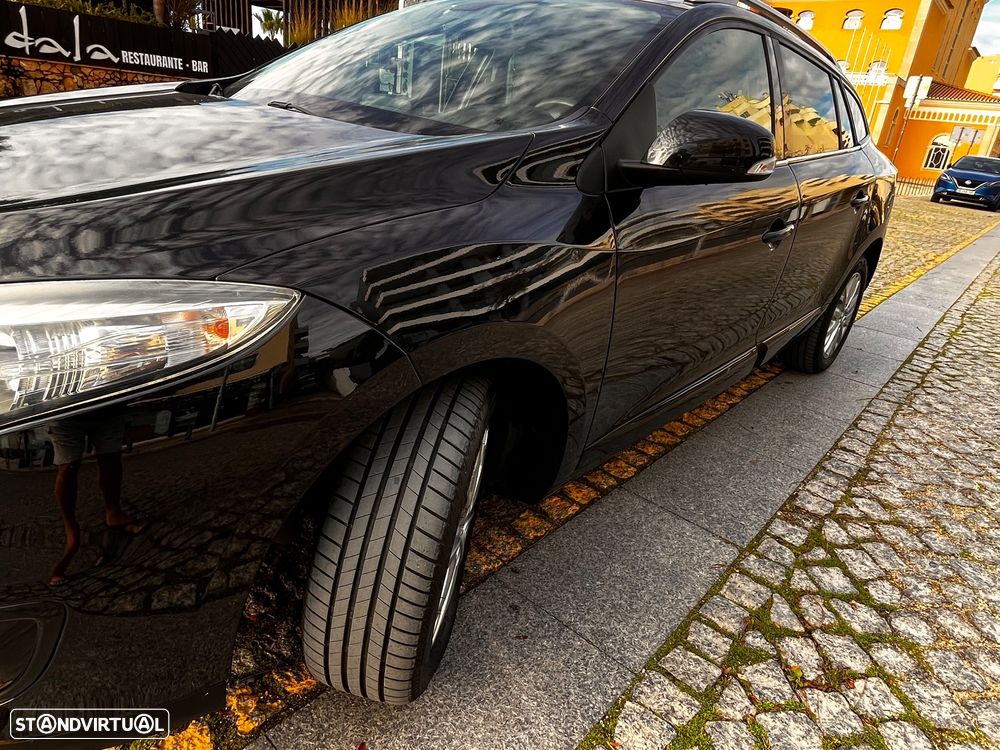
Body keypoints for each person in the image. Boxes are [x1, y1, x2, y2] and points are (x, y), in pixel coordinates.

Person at [47, 411, 144, 585]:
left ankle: (113, 511)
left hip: (108, 407)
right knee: (68, 466)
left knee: (111, 458)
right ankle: (71, 526)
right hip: (65, 411)